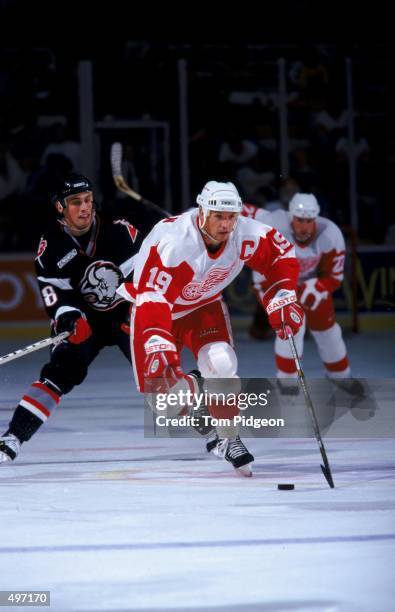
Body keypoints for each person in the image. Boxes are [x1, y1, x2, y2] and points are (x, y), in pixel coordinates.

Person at [121, 181, 304, 476]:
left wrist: (282, 295)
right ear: (202, 212)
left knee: (221, 362)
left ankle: (228, 438)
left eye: (231, 217)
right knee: (167, 407)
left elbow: (281, 256)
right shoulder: (174, 244)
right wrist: (156, 341)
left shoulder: (245, 233)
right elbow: (152, 298)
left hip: (203, 307)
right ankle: (200, 387)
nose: (226, 224)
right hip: (156, 311)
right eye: (218, 216)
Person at [0, 173, 164, 463]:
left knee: (158, 370)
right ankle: (12, 437)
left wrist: (137, 311)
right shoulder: (50, 246)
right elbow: (54, 296)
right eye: (75, 202)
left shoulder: (119, 230)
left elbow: (147, 276)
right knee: (61, 371)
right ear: (60, 207)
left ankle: (216, 432)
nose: (85, 207)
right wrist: (70, 320)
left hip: (126, 313)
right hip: (84, 323)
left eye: (88, 200)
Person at [252, 192, 361, 394]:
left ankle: (340, 376)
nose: (304, 226)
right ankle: (287, 382)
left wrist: (319, 287)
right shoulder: (273, 224)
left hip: (311, 285)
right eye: (300, 220)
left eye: (309, 221)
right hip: (274, 282)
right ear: (291, 217)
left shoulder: (330, 234)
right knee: (291, 328)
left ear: (316, 218)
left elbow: (334, 277)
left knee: (328, 331)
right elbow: (244, 212)